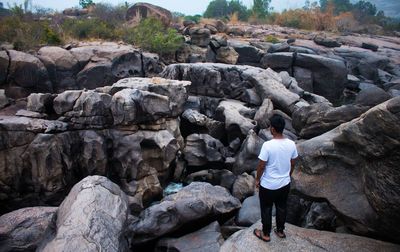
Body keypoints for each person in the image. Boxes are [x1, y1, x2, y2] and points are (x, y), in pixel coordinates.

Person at [253, 114, 298, 242]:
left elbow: (261, 165)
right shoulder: (291, 144)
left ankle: (266, 234)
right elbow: (293, 162)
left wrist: (257, 179)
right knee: (282, 207)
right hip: (285, 183)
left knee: (266, 208)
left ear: (272, 129)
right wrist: (288, 175)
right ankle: (280, 231)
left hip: (268, 185)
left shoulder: (268, 145)